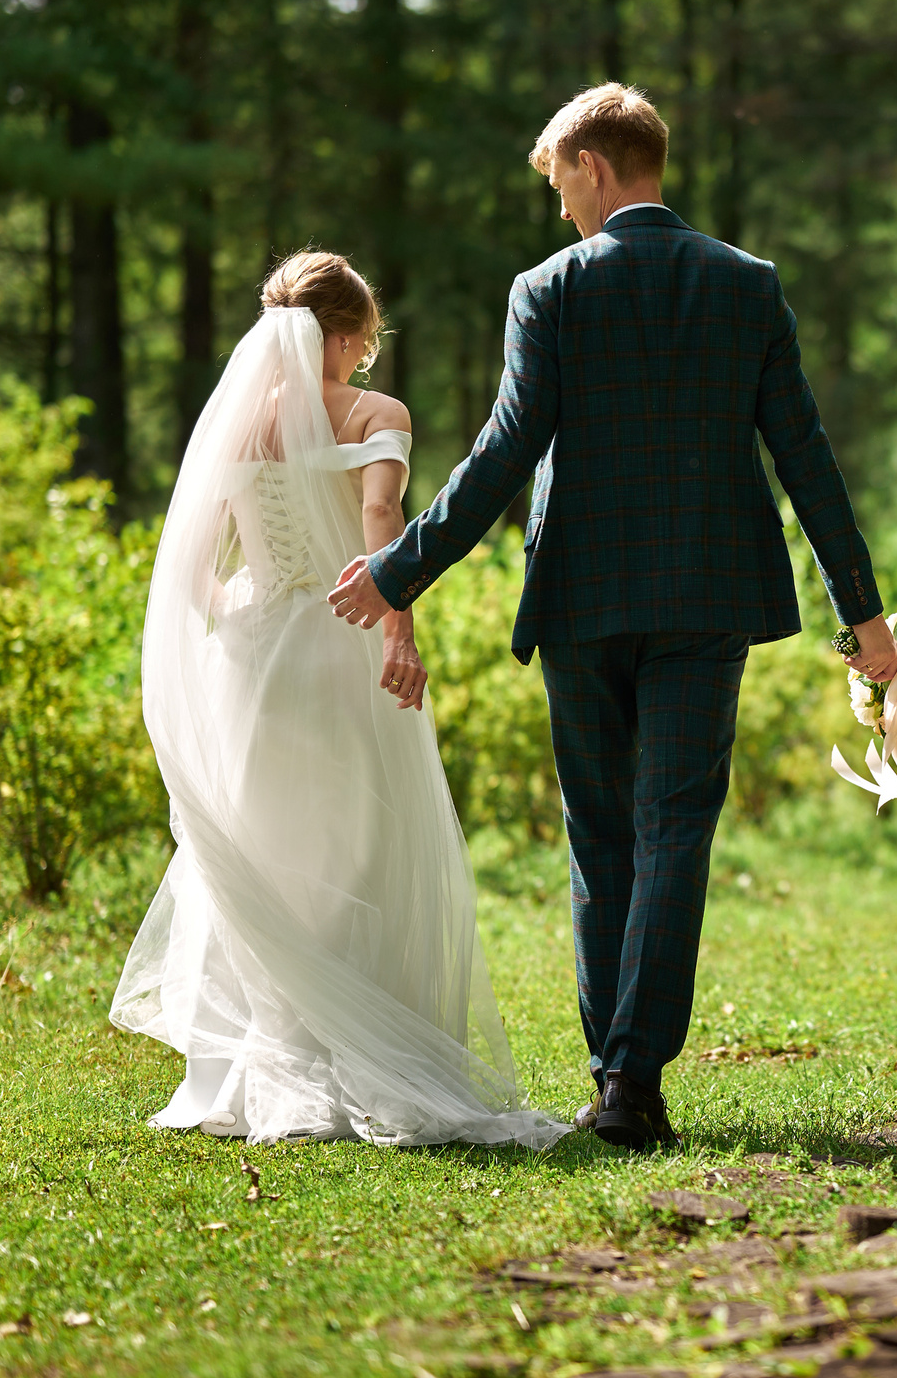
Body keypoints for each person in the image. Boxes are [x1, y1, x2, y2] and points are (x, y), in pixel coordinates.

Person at [327, 83, 897, 1151]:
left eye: (558, 183)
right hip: (707, 598)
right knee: (674, 827)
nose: (558, 210)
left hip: (584, 599)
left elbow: (503, 451)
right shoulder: (747, 284)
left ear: (593, 162)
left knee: (601, 836)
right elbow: (806, 459)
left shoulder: (546, 289)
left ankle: (616, 1073)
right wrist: (861, 616)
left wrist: (403, 568)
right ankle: (634, 1079)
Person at [111, 253, 569, 1150]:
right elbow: (379, 526)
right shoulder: (375, 412)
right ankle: (343, 1061)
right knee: (359, 853)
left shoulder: (235, 424)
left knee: (262, 851)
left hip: (252, 661)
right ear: (354, 335)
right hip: (342, 648)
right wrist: (397, 633)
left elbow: (193, 561)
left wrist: (240, 613)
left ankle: (263, 1069)